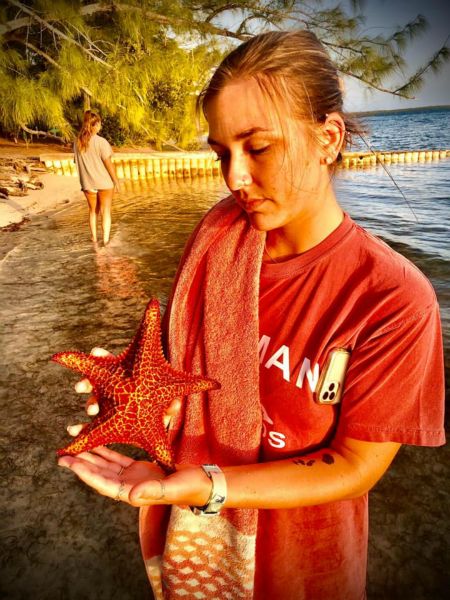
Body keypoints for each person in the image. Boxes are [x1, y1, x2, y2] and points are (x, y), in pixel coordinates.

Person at [58, 31, 445, 599]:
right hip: (195, 528)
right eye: (221, 153)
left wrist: (210, 486)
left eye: (258, 147)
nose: (234, 177)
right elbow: (182, 368)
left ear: (328, 138)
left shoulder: (392, 298)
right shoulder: (216, 245)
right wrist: (139, 397)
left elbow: (355, 466)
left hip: (308, 566)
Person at [73, 110, 120, 245]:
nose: (100, 126)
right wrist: (116, 181)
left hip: (87, 183)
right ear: (94, 125)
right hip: (104, 183)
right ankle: (105, 241)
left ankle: (94, 239)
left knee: (93, 211)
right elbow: (108, 164)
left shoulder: (77, 142)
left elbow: (76, 161)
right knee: (105, 212)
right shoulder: (101, 142)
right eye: (99, 123)